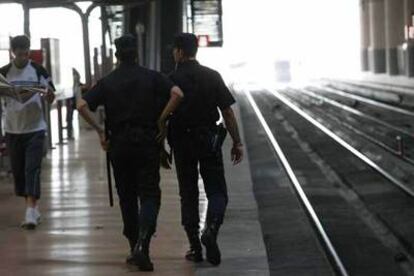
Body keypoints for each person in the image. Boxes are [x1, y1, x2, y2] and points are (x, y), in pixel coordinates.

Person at [77, 34, 183, 272]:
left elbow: (81, 105)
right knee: (149, 195)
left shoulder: (108, 81)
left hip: (119, 144)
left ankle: (134, 246)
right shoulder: (152, 77)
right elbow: (178, 94)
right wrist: (161, 119)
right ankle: (143, 247)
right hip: (146, 142)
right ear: (137, 54)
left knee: (126, 196)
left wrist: (99, 131)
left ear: (117, 56)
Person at [166, 33, 244, 266]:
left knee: (188, 193)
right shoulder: (212, 76)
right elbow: (227, 112)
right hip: (209, 141)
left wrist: (160, 145)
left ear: (179, 52)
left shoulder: (170, 79)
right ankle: (211, 229)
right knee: (217, 191)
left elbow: (161, 115)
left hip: (181, 142)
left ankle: (195, 248)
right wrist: (236, 142)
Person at [0, 35, 55, 230]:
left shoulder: (38, 70)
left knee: (32, 168)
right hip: (13, 129)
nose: (24, 57)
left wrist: (47, 94)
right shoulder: (4, 72)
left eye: (27, 53)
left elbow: (51, 95)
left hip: (35, 128)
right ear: (13, 52)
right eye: (20, 53)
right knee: (19, 171)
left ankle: (30, 211)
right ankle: (32, 207)